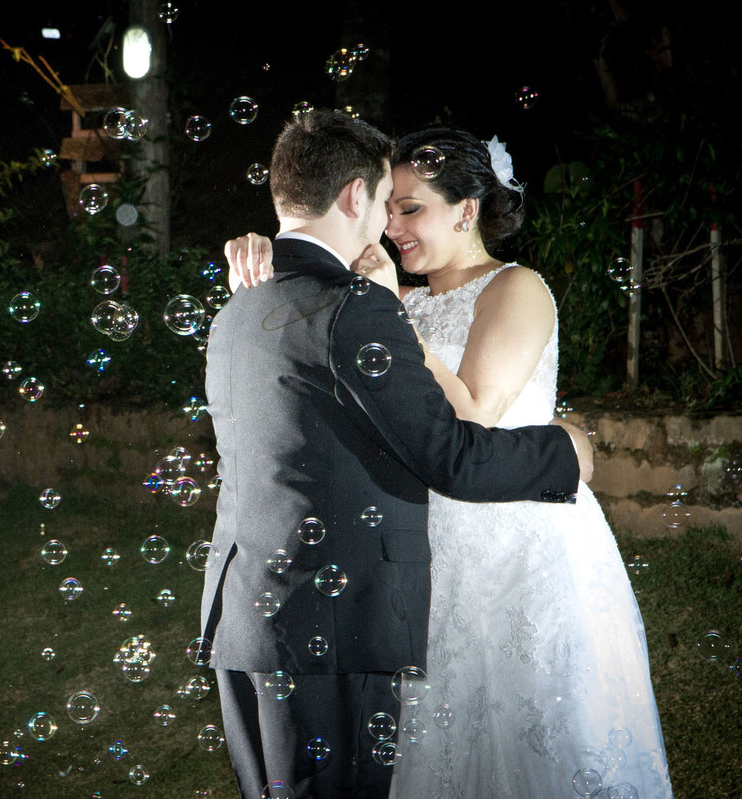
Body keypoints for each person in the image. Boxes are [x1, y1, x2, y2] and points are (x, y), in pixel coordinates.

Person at [225, 127, 673, 798]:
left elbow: (472, 417)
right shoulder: (393, 300)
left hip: (517, 542)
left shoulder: (515, 287)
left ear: (467, 209)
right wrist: (269, 253)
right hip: (426, 543)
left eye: (412, 208)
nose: (392, 225)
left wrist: (395, 312)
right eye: (388, 206)